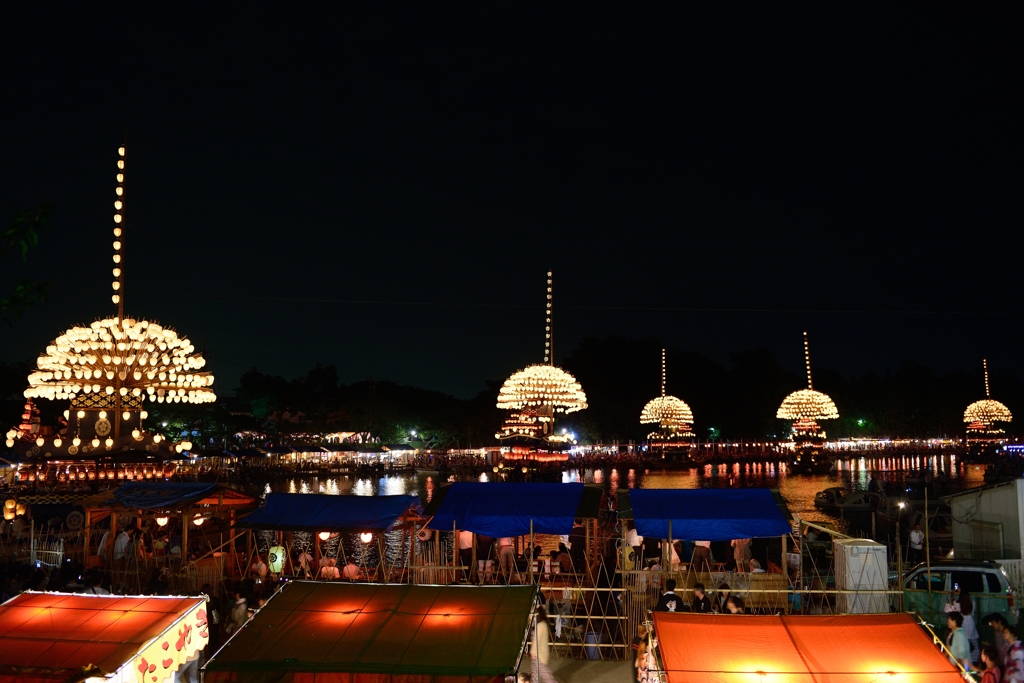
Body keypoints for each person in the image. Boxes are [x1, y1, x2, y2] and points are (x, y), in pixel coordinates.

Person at [531, 606, 554, 683]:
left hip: (539, 655)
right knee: (535, 676)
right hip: (539, 654)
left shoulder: (540, 625)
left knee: (546, 677)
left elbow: (536, 640)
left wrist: (533, 651)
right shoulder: (540, 624)